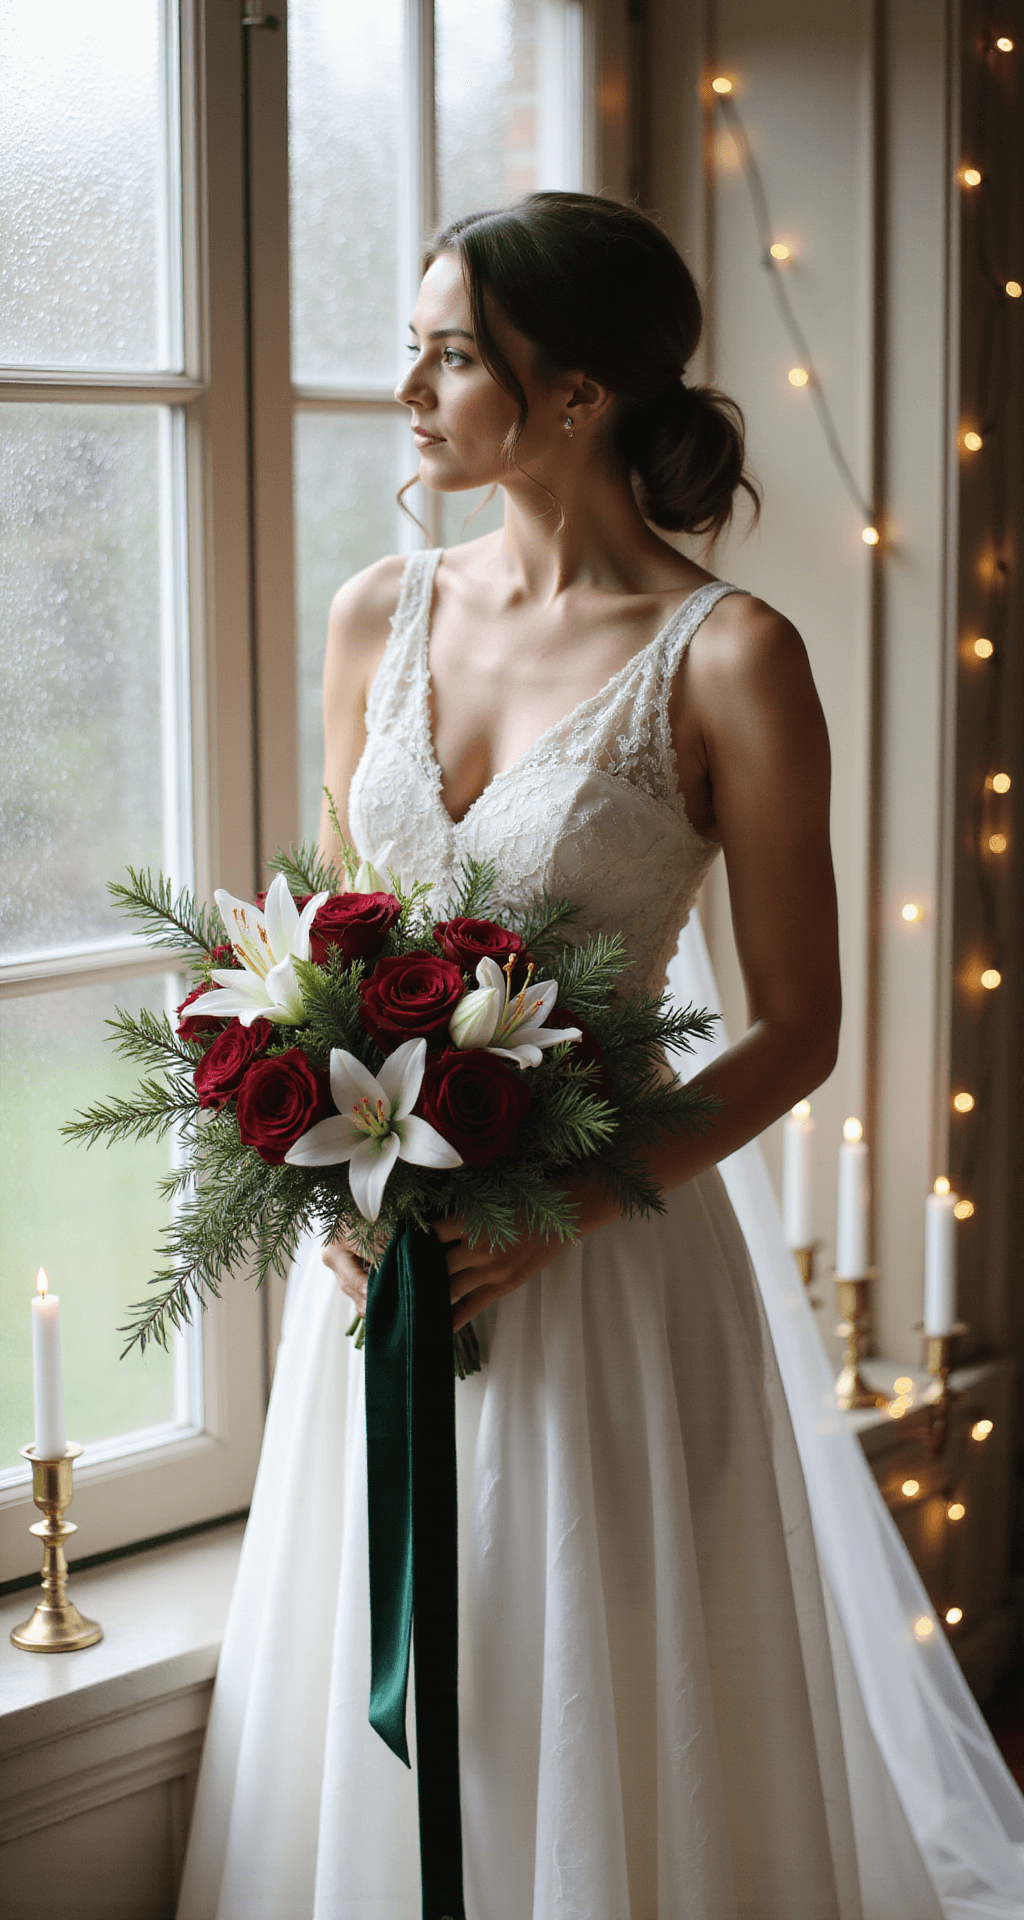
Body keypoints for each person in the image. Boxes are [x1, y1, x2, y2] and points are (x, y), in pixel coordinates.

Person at [177, 193, 1024, 1919]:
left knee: (602, 1692)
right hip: (396, 1272)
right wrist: (334, 1162)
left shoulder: (732, 659)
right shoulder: (373, 614)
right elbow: (348, 947)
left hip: (608, 1266)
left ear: (574, 396)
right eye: (416, 342)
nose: (407, 384)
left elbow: (799, 1025)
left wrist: (563, 1209)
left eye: (450, 352)